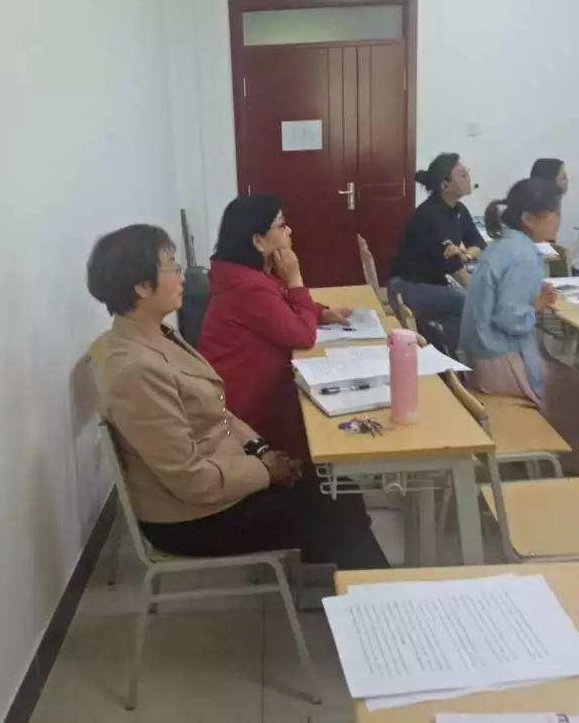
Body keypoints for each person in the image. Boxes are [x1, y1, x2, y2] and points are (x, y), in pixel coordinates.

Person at [86, 223, 388, 569]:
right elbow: (190, 480)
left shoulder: (155, 334)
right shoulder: (136, 370)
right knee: (334, 511)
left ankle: (343, 579)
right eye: (172, 267)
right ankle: (377, 599)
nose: (182, 276)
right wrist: (264, 471)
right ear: (141, 286)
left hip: (221, 476)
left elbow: (217, 412)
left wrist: (261, 450)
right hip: (191, 517)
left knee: (339, 493)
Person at [199, 195, 352, 459]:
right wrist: (295, 278)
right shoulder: (247, 287)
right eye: (281, 225)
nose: (289, 231)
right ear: (258, 240)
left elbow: (280, 305)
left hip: (256, 392)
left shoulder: (244, 274)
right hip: (246, 411)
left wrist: (321, 313)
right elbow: (303, 336)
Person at [459, 178, 562, 404]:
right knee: (566, 386)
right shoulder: (524, 255)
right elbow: (509, 318)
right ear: (529, 219)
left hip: (479, 356)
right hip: (497, 360)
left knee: (555, 372)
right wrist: (536, 304)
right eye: (555, 212)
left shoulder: (503, 244)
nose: (559, 220)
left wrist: (532, 295)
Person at [388, 153, 486, 353]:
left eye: (467, 173)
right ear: (445, 185)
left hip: (433, 285)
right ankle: (478, 357)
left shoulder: (458, 210)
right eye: (462, 175)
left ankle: (452, 360)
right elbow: (455, 269)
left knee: (454, 319)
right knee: (466, 300)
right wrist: (481, 296)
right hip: (407, 287)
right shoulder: (429, 215)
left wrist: (467, 255)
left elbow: (478, 244)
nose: (469, 179)